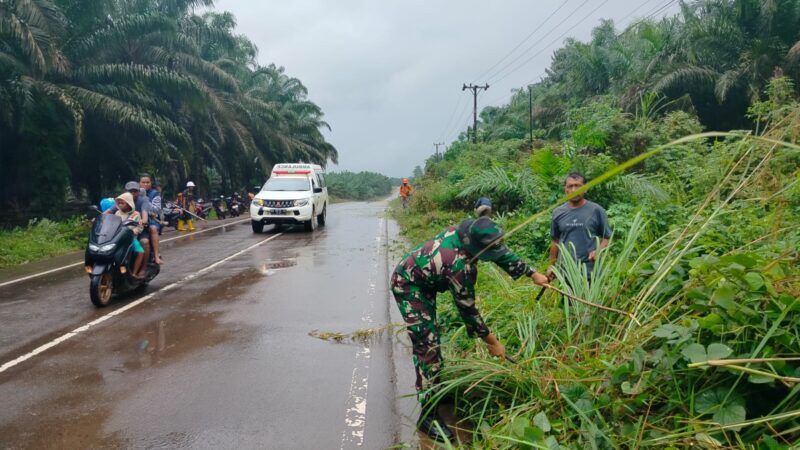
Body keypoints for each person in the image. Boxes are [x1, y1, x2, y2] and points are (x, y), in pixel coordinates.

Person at [391, 197, 548, 441]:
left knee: (432, 338)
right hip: (408, 285)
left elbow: (499, 251)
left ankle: (435, 388)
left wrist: (532, 273)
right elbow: (468, 311)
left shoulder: (470, 231)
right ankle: (428, 415)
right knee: (427, 345)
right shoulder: (457, 266)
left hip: (425, 279)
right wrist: (493, 342)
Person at [547, 172, 612, 283]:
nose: (573, 190)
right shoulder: (558, 212)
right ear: (565, 189)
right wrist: (551, 266)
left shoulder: (596, 210)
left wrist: (598, 250)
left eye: (577, 186)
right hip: (566, 271)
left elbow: (607, 237)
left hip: (590, 270)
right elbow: (555, 241)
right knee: (567, 300)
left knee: (590, 300)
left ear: (585, 188)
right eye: (570, 186)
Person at [114, 192, 146, 278]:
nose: (120, 205)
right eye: (119, 203)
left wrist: (133, 231)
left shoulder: (136, 214)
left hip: (130, 239)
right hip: (117, 238)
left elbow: (139, 227)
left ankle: (134, 273)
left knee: (140, 251)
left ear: (129, 203)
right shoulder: (117, 213)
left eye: (122, 203)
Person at [139, 173, 163, 264]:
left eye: (147, 182)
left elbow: (156, 210)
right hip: (135, 218)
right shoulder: (134, 192)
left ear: (150, 183)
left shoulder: (155, 194)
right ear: (139, 183)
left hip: (151, 219)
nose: (145, 184)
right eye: (143, 182)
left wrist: (145, 201)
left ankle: (156, 255)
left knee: (153, 228)